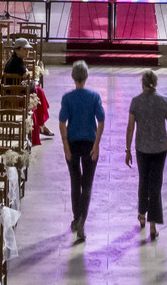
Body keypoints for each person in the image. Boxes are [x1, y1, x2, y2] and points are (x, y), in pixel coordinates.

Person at [124, 67, 167, 241]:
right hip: (159, 148)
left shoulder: (136, 102)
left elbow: (130, 127)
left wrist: (128, 149)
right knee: (156, 184)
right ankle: (153, 224)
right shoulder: (164, 100)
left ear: (143, 83)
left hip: (142, 148)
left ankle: (142, 215)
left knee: (143, 181)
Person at [57, 58, 105, 241]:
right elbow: (101, 121)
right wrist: (97, 143)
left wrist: (65, 145)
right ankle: (82, 220)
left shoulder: (67, 98)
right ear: (86, 77)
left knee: (75, 182)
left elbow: (62, 122)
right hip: (89, 143)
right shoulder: (94, 97)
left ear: (72, 77)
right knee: (87, 184)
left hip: (73, 143)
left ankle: (76, 217)